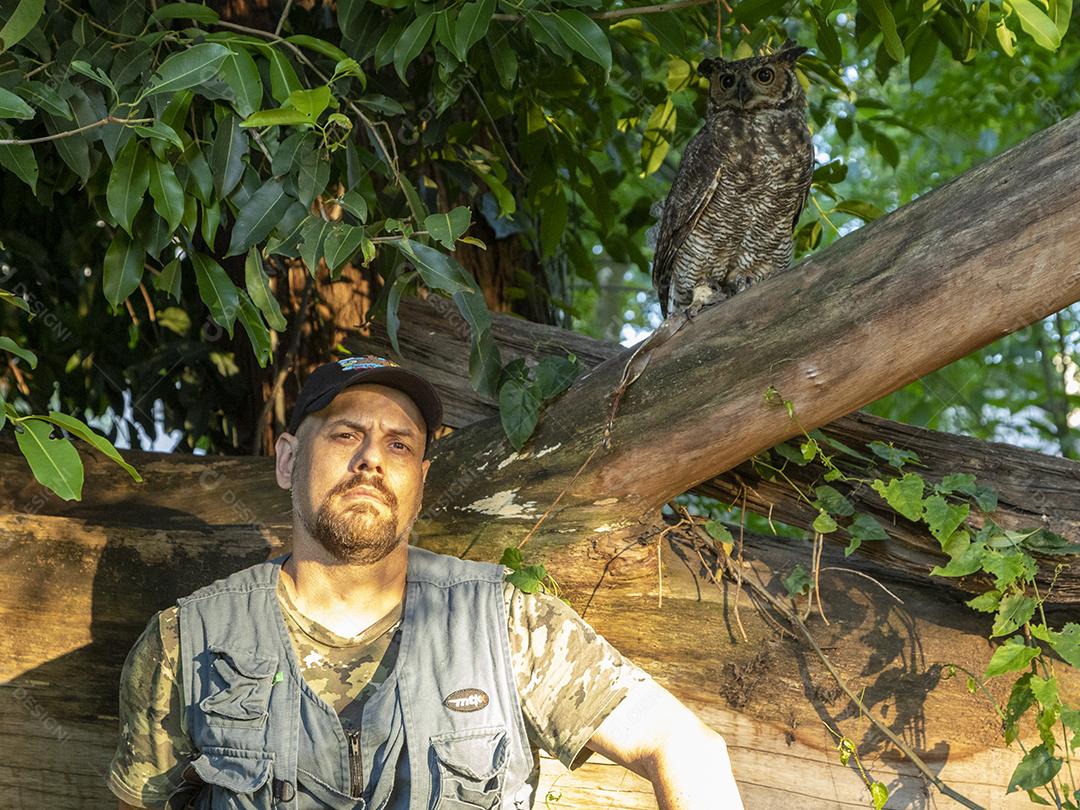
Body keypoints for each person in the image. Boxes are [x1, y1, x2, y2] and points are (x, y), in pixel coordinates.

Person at [106, 355, 744, 809]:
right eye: (346, 434)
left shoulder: (505, 624)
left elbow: (684, 746)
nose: (371, 459)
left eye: (400, 446)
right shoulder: (189, 642)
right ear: (288, 459)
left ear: (421, 482)